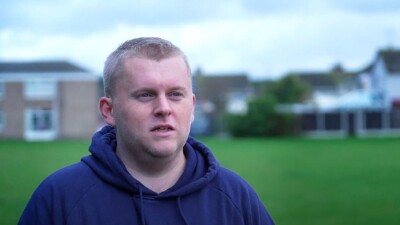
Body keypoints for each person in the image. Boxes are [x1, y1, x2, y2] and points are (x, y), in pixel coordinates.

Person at [18, 37, 275, 225]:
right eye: (145, 95)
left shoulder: (235, 197)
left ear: (192, 106)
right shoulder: (59, 197)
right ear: (109, 111)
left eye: (175, 94)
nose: (164, 108)